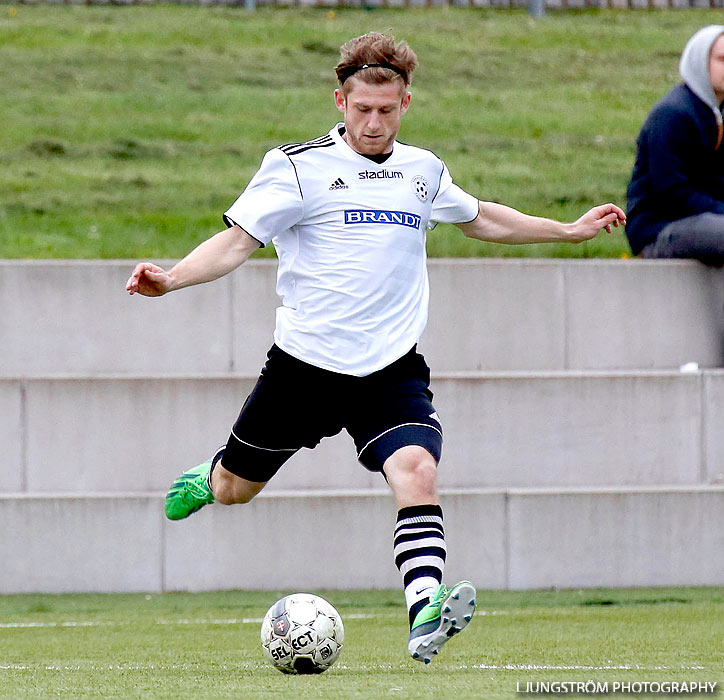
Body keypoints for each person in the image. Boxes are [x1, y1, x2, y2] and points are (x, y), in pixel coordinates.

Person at [126, 32, 625, 664]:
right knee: (235, 490)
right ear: (340, 100)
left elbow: (479, 218)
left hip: (390, 368)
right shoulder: (296, 167)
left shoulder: (424, 172)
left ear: (406, 104)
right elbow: (236, 242)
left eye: (386, 110)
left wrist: (566, 229)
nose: (373, 122)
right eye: (362, 109)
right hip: (304, 368)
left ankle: (425, 610)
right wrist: (170, 278)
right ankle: (210, 475)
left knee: (417, 469)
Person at [626, 25, 724, 265]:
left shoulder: (718, 113)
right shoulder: (673, 114)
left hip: (708, 222)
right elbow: (671, 194)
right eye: (722, 59)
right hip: (659, 229)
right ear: (701, 62)